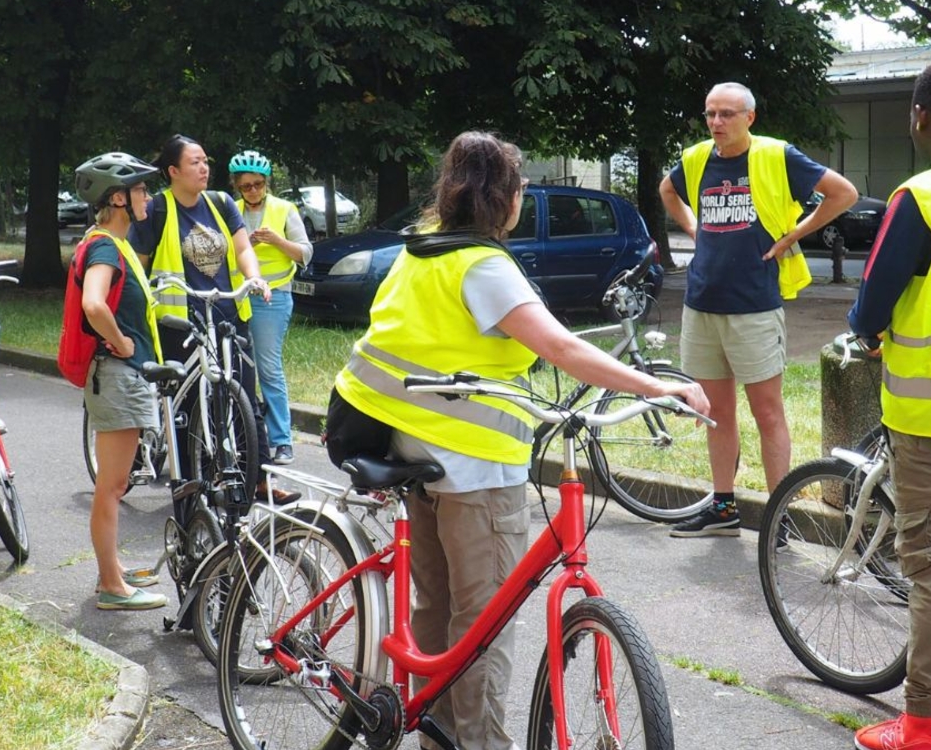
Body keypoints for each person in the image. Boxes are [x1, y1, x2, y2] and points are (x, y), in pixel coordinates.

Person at [333, 131, 711, 750]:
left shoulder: (421, 250)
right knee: (482, 625)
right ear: (503, 198)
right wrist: (656, 388)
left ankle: (438, 737)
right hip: (473, 467)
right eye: (520, 188)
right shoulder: (484, 265)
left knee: (438, 607)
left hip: (408, 446)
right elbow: (558, 346)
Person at [659, 81, 858, 537]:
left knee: (768, 413)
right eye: (710, 114)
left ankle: (777, 517)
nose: (716, 123)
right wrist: (695, 229)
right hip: (702, 302)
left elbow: (842, 193)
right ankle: (724, 507)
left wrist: (791, 237)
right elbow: (667, 191)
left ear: (750, 117)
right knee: (716, 413)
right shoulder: (696, 158)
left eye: (727, 114)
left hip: (754, 304)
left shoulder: (776, 155)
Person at [849, 59, 931, 750]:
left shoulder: (921, 197)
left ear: (921, 116)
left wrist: (863, 335)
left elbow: (870, 304)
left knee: (930, 573)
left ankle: (921, 723)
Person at [129, 135, 299, 504]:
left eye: (206, 161)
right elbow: (137, 268)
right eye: (194, 162)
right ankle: (191, 488)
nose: (204, 168)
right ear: (173, 171)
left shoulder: (221, 203)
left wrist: (254, 277)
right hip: (179, 322)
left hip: (227, 316)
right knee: (188, 405)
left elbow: (242, 249)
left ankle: (258, 481)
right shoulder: (157, 210)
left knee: (244, 398)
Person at [73, 152, 169, 611]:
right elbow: (95, 304)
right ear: (118, 198)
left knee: (115, 484)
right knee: (112, 486)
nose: (147, 196)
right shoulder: (105, 246)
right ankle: (112, 586)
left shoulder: (114, 243)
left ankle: (110, 570)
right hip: (116, 375)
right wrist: (123, 344)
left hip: (118, 378)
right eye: (140, 190)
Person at [228, 150, 313, 466]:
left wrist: (276, 241)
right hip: (237, 296)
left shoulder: (284, 210)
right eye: (246, 186)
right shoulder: (231, 210)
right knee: (234, 368)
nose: (253, 191)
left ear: (267, 183)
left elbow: (305, 254)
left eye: (258, 185)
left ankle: (281, 441)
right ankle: (245, 436)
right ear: (237, 186)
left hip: (272, 298)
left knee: (267, 368)